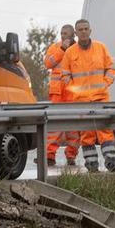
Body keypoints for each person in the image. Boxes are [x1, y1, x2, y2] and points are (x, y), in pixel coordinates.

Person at [55, 19, 115, 172]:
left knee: (106, 132)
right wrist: (75, 90)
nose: (83, 32)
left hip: (101, 98)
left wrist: (105, 83)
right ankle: (92, 166)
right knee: (87, 134)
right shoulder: (70, 52)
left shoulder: (101, 48)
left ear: (90, 31)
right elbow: (65, 76)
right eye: (80, 30)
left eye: (86, 29)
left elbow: (111, 69)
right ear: (76, 34)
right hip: (81, 101)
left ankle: (112, 164)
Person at [43, 24, 79, 168]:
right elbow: (48, 63)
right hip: (57, 94)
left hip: (72, 93)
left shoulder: (78, 49)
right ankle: (49, 157)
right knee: (54, 127)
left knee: (74, 128)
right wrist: (62, 49)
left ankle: (71, 156)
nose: (63, 35)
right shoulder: (54, 47)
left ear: (73, 35)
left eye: (66, 33)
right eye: (61, 33)